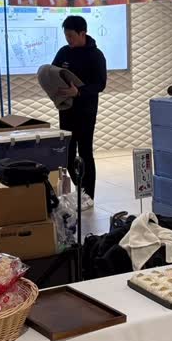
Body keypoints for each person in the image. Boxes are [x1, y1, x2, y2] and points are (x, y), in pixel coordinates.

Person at [52, 15, 107, 207]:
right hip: (66, 110)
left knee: (85, 152)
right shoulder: (63, 53)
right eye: (66, 36)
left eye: (71, 36)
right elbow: (53, 73)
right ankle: (79, 189)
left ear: (82, 33)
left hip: (86, 111)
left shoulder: (96, 55)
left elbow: (100, 84)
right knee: (67, 155)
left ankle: (88, 195)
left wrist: (79, 92)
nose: (68, 39)